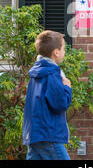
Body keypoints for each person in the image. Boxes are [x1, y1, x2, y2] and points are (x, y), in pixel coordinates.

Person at [22, 30, 72, 160]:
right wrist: (67, 88)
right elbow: (60, 104)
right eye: (63, 49)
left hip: (34, 134)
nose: (64, 52)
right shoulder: (52, 74)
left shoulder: (36, 72)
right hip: (48, 134)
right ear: (56, 52)